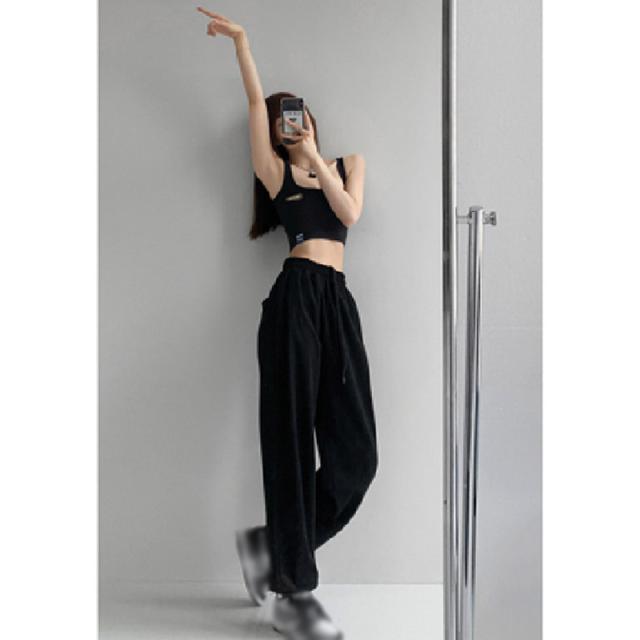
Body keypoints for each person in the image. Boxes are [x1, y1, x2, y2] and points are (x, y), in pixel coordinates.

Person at [197, 8, 379, 640]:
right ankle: (294, 592)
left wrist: (313, 158)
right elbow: (254, 102)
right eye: (281, 123)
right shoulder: (275, 177)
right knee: (291, 444)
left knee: (358, 457)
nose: (287, 124)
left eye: (294, 116)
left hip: (338, 305)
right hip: (294, 299)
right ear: (273, 137)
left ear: (311, 120)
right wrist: (242, 44)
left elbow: (349, 214)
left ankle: (272, 549)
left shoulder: (347, 162)